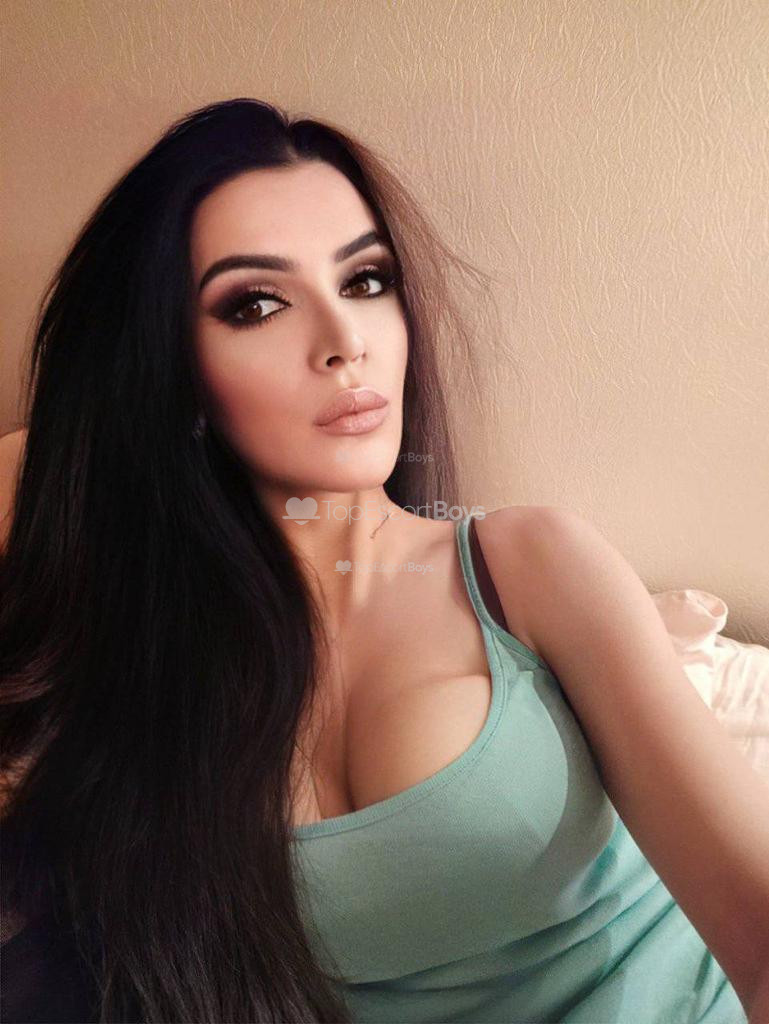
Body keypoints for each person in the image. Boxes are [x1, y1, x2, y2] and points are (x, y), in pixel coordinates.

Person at [0, 98, 762, 1023]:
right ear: (170, 370)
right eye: (256, 304)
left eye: (365, 281)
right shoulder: (140, 662)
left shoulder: (526, 567)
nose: (345, 342)